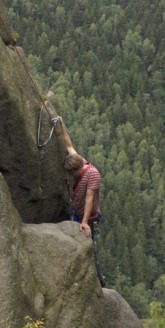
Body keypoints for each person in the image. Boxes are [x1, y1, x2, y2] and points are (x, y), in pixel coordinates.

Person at [56, 116, 104, 284]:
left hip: (90, 218)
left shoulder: (93, 175)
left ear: (78, 169)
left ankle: (96, 278)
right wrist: (62, 124)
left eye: (72, 173)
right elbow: (69, 145)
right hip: (76, 211)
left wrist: (84, 222)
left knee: (90, 245)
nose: (70, 176)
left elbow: (89, 199)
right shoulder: (78, 160)